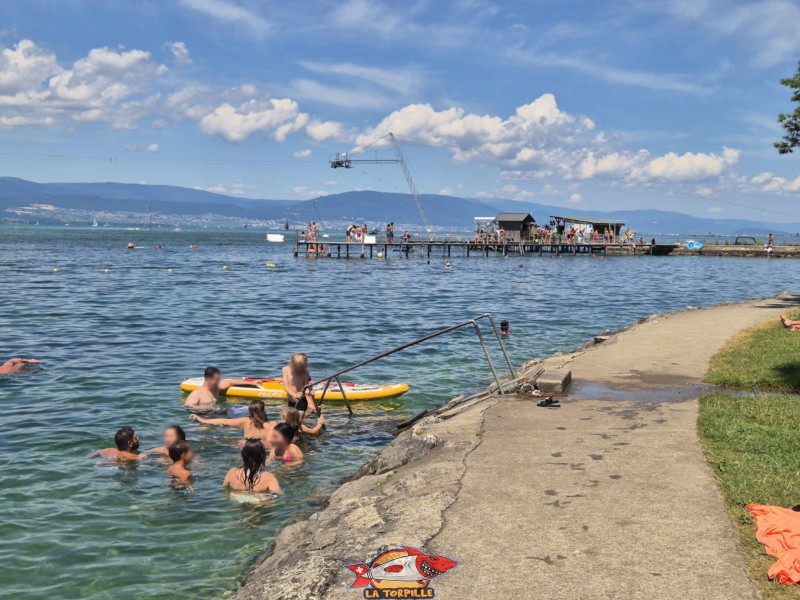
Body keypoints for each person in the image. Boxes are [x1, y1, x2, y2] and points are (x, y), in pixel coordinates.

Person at [190, 399, 275, 441]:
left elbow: (223, 421)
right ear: (264, 411)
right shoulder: (273, 425)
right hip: (263, 451)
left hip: (246, 449)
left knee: (223, 440)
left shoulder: (246, 421)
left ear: (250, 411)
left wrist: (202, 420)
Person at [184, 366, 257, 407]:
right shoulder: (197, 393)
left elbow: (230, 382)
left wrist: (252, 383)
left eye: (219, 380)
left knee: (248, 409)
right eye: (216, 380)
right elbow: (188, 407)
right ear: (208, 379)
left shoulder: (216, 387)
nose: (218, 382)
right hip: (204, 416)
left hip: (219, 413)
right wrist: (204, 410)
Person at [282, 353, 316, 420]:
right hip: (291, 399)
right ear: (292, 362)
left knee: (299, 420)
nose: (298, 368)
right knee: (291, 419)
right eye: (297, 366)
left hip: (302, 400)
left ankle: (308, 414)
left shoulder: (305, 372)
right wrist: (295, 395)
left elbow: (306, 387)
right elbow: (286, 387)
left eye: (300, 366)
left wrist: (310, 392)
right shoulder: (285, 369)